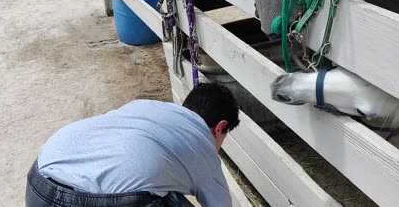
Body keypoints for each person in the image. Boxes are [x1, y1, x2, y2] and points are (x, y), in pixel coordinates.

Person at [25, 83, 240, 207]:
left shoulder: (143, 106)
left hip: (38, 184)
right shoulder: (203, 146)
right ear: (220, 127)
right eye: (225, 136)